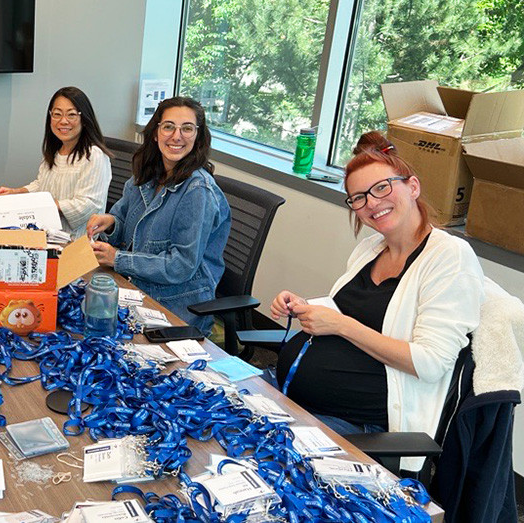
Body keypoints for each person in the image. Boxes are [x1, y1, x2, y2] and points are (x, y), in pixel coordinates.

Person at [270, 131, 484, 471]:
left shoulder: (449, 256)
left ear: (412, 187)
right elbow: (350, 312)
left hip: (362, 429)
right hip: (296, 396)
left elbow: (430, 362)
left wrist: (340, 325)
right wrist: (306, 306)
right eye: (358, 197)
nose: (371, 203)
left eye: (382, 188)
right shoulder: (370, 249)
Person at [86, 97, 231, 333]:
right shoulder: (146, 175)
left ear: (198, 136)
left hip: (176, 307)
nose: (177, 136)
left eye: (187, 128)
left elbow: (181, 265)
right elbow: (122, 221)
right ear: (155, 133)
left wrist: (118, 258)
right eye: (168, 127)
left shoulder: (198, 192)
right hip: (135, 287)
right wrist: (111, 223)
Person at [0, 86, 112, 238]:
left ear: (84, 118)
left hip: (74, 243)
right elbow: (41, 184)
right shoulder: (56, 152)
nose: (63, 121)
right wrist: (16, 192)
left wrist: (49, 205)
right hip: (48, 236)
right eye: (57, 114)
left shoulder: (94, 155)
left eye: (71, 115)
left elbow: (88, 205)